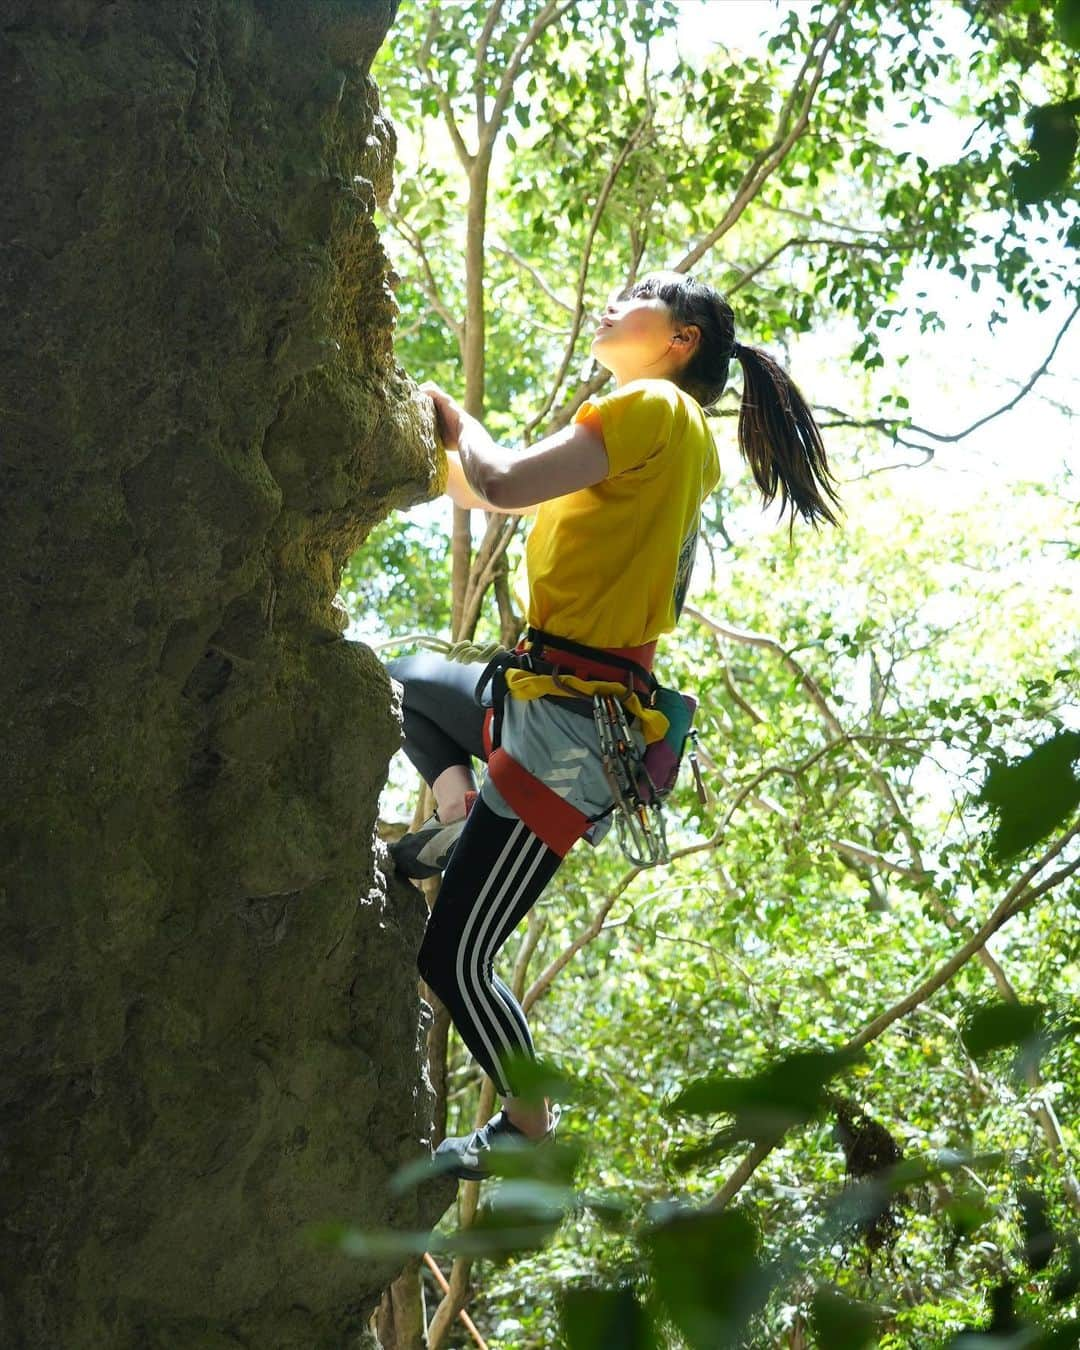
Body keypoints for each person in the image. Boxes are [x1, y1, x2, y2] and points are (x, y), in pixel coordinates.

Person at [386, 271, 840, 1180]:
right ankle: (454, 813)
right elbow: (482, 491)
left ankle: (525, 1130)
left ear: (681, 342)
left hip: (568, 741)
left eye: (637, 297)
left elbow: (501, 478)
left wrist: (445, 409)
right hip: (534, 695)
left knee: (456, 956)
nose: (610, 304)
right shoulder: (659, 433)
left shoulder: (653, 412)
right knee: (398, 680)